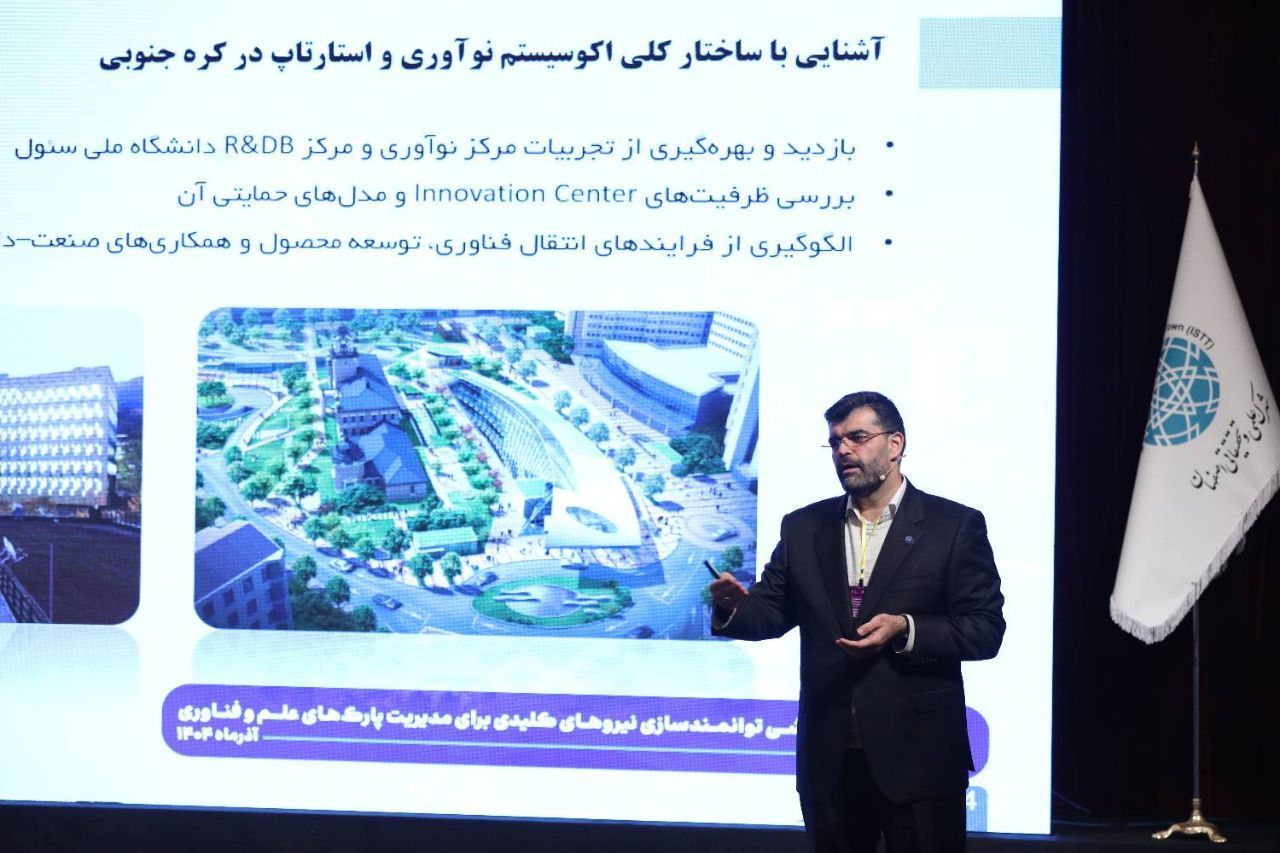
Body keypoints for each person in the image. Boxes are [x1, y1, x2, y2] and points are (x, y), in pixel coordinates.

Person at [710, 391, 1004, 853]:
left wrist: (905, 628)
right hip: (830, 761)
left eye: (857, 438)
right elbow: (770, 612)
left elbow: (985, 630)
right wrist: (733, 608)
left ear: (895, 444)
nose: (843, 450)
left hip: (920, 759)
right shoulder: (803, 527)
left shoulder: (953, 526)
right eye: (835, 442)